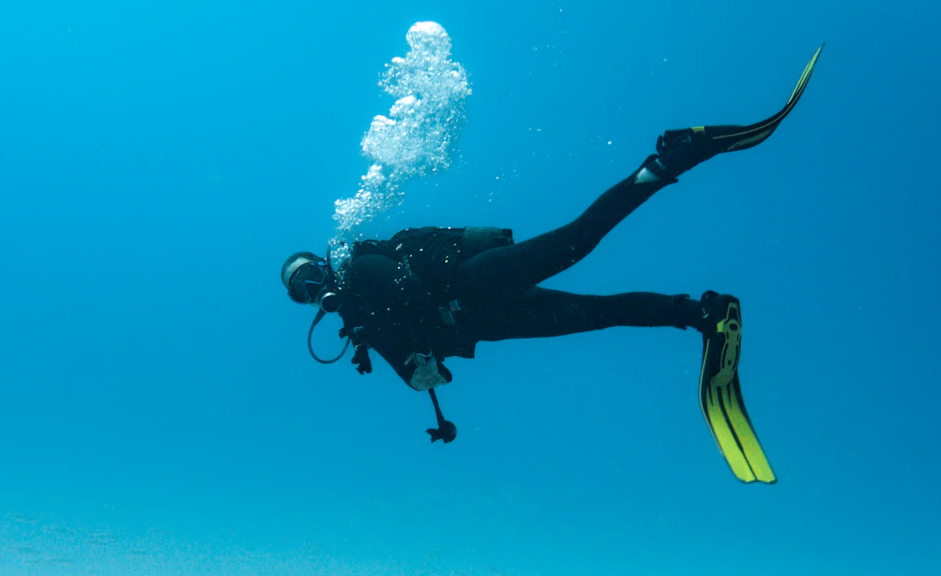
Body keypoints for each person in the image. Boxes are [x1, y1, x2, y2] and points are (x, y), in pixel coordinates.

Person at [281, 46, 822, 483]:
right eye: (300, 292)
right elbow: (424, 366)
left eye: (308, 276)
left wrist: (407, 347)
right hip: (486, 322)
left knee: (577, 239)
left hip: (471, 282)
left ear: (321, 264)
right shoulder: (359, 328)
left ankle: (673, 156)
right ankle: (701, 314)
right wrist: (419, 374)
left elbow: (401, 289)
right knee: (598, 313)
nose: (310, 290)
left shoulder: (355, 271)